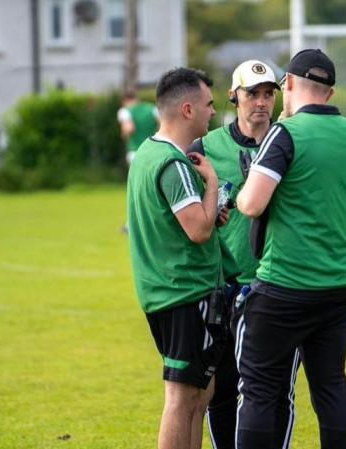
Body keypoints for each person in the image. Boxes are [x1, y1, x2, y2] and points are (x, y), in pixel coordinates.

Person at [234, 49, 346, 449]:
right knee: (330, 390)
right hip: (338, 284)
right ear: (330, 91)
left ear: (288, 85)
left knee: (259, 389)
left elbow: (252, 204)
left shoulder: (286, 132)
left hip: (284, 284)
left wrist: (244, 188)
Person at [188, 60, 299, 449]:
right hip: (224, 288)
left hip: (276, 285)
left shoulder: (289, 140)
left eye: (269, 94)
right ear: (234, 96)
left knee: (276, 389)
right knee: (223, 390)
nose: (262, 102)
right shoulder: (206, 148)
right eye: (253, 93)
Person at [127, 67, 222, 449]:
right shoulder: (174, 164)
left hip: (165, 292)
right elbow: (199, 229)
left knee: (201, 394)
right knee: (182, 399)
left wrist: (211, 207)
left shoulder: (146, 153)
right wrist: (212, 183)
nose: (213, 113)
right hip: (184, 293)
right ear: (187, 109)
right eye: (208, 105)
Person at [118, 89, 159, 166]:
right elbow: (161, 124)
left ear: (125, 100)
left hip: (135, 152)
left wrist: (124, 133)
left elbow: (130, 129)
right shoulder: (152, 108)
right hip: (153, 151)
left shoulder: (125, 111)